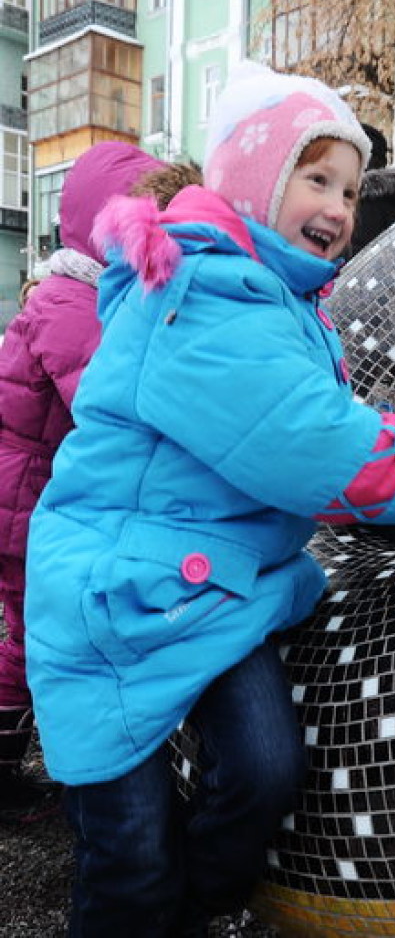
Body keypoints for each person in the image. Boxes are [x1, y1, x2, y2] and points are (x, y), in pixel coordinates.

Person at [24, 62, 395, 937]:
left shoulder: (286, 302)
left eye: (348, 185)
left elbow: (300, 443)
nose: (340, 206)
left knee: (265, 766)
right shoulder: (198, 295)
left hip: (219, 585)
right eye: (317, 178)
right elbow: (309, 442)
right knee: (131, 849)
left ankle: (197, 909)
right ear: (256, 184)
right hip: (113, 601)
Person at [0, 141, 165, 822]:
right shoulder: (75, 303)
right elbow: (104, 395)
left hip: (26, 498)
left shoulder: (69, 291)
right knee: (38, 637)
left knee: (27, 632)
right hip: (25, 509)